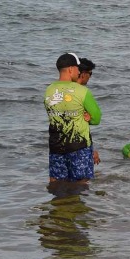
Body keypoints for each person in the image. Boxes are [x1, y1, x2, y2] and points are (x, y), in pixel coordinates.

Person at [43, 53, 102, 183]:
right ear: (71, 69)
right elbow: (97, 118)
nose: (79, 71)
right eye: (77, 68)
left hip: (56, 146)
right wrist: (88, 118)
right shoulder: (82, 91)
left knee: (56, 183)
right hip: (79, 146)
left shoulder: (49, 90)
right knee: (81, 184)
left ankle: (58, 202)